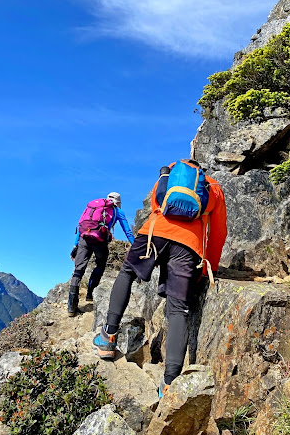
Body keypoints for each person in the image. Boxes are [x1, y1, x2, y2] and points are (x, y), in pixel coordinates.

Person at [93, 160, 227, 398]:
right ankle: (169, 383)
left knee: (126, 273)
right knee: (178, 309)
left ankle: (108, 337)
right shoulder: (212, 187)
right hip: (189, 246)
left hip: (153, 234)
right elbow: (217, 231)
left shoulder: (168, 176)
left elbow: (157, 204)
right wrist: (209, 267)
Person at [68, 192, 135, 317]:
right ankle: (90, 293)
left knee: (78, 270)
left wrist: (75, 245)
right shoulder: (117, 211)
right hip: (100, 240)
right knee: (100, 264)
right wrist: (135, 245)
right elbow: (127, 230)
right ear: (118, 203)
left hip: (84, 238)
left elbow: (80, 225)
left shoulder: (92, 207)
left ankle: (71, 307)